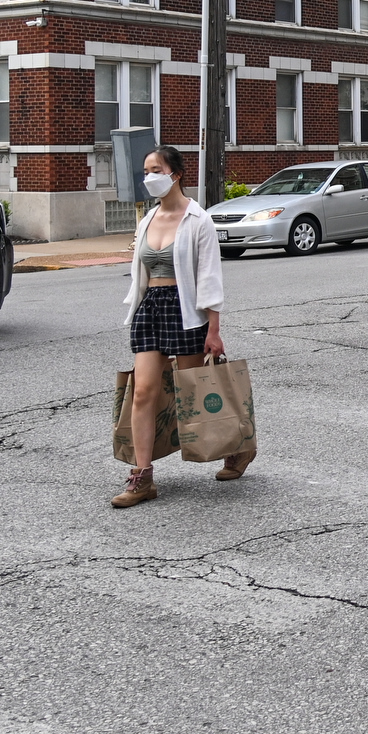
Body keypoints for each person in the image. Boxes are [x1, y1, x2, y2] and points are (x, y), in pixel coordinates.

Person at [113, 145, 236, 509]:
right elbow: (142, 271)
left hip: (187, 312)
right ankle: (141, 476)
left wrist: (213, 329)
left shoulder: (199, 220)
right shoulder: (147, 220)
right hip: (150, 310)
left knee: (194, 395)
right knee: (143, 392)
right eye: (146, 171)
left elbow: (210, 278)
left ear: (176, 174)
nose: (149, 177)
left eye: (156, 170)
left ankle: (238, 447)